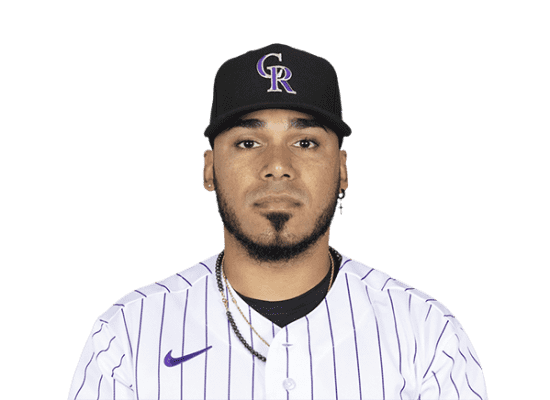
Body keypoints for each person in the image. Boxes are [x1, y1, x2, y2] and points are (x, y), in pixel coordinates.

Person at [68, 43, 488, 400]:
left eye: (305, 142)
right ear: (209, 169)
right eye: (248, 142)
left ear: (342, 169)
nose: (277, 165)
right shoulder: (129, 333)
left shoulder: (425, 333)